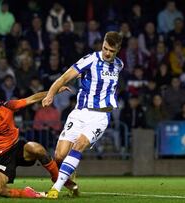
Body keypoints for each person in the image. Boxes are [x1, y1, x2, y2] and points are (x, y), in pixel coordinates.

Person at [42, 31, 124, 198]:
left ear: (118, 50)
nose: (107, 53)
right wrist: (50, 94)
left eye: (111, 51)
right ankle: (71, 183)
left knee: (79, 144)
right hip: (80, 113)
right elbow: (64, 77)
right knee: (59, 156)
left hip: (100, 116)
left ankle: (55, 189)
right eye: (105, 48)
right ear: (102, 44)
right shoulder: (90, 60)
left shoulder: (119, 65)